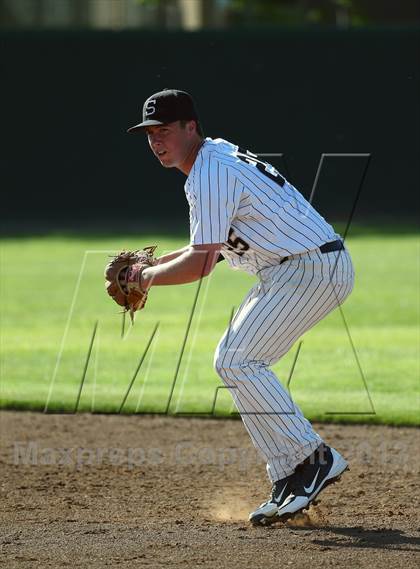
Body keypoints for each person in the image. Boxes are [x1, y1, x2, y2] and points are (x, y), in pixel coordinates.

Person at [127, 89, 354, 526]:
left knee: (237, 360)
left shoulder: (209, 173)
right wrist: (154, 265)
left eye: (165, 131)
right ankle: (290, 475)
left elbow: (200, 265)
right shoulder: (213, 160)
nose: (157, 141)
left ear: (190, 127)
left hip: (310, 268)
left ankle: (312, 459)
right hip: (299, 267)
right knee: (234, 361)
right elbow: (202, 246)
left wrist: (144, 277)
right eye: (150, 134)